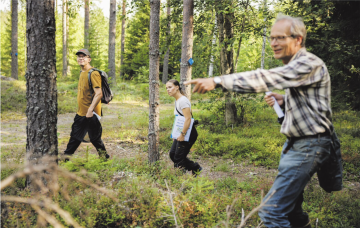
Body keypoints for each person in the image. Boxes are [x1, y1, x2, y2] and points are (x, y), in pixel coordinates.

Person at [185, 14, 342, 228]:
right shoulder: (300, 66)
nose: (274, 43)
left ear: (298, 40)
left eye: (280, 38)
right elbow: (314, 104)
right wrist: (286, 100)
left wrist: (217, 80)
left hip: (309, 145)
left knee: (271, 211)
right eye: (271, 38)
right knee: (292, 212)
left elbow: (264, 78)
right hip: (299, 143)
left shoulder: (308, 64)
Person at [61, 49, 109, 160]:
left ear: (89, 59)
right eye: (79, 57)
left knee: (91, 137)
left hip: (90, 113)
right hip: (82, 112)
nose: (81, 58)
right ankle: (67, 156)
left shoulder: (93, 73)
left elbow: (99, 94)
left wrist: (90, 110)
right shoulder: (82, 72)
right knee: (80, 136)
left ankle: (67, 156)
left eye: (84, 56)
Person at [166, 79, 202, 176]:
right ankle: (195, 167)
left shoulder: (183, 100)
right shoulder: (178, 100)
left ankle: (180, 180)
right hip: (182, 132)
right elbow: (179, 120)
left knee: (178, 158)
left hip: (188, 133)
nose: (168, 90)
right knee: (173, 155)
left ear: (177, 87)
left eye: (170, 87)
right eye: (166, 88)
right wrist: (175, 135)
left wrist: (182, 135)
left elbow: (188, 119)